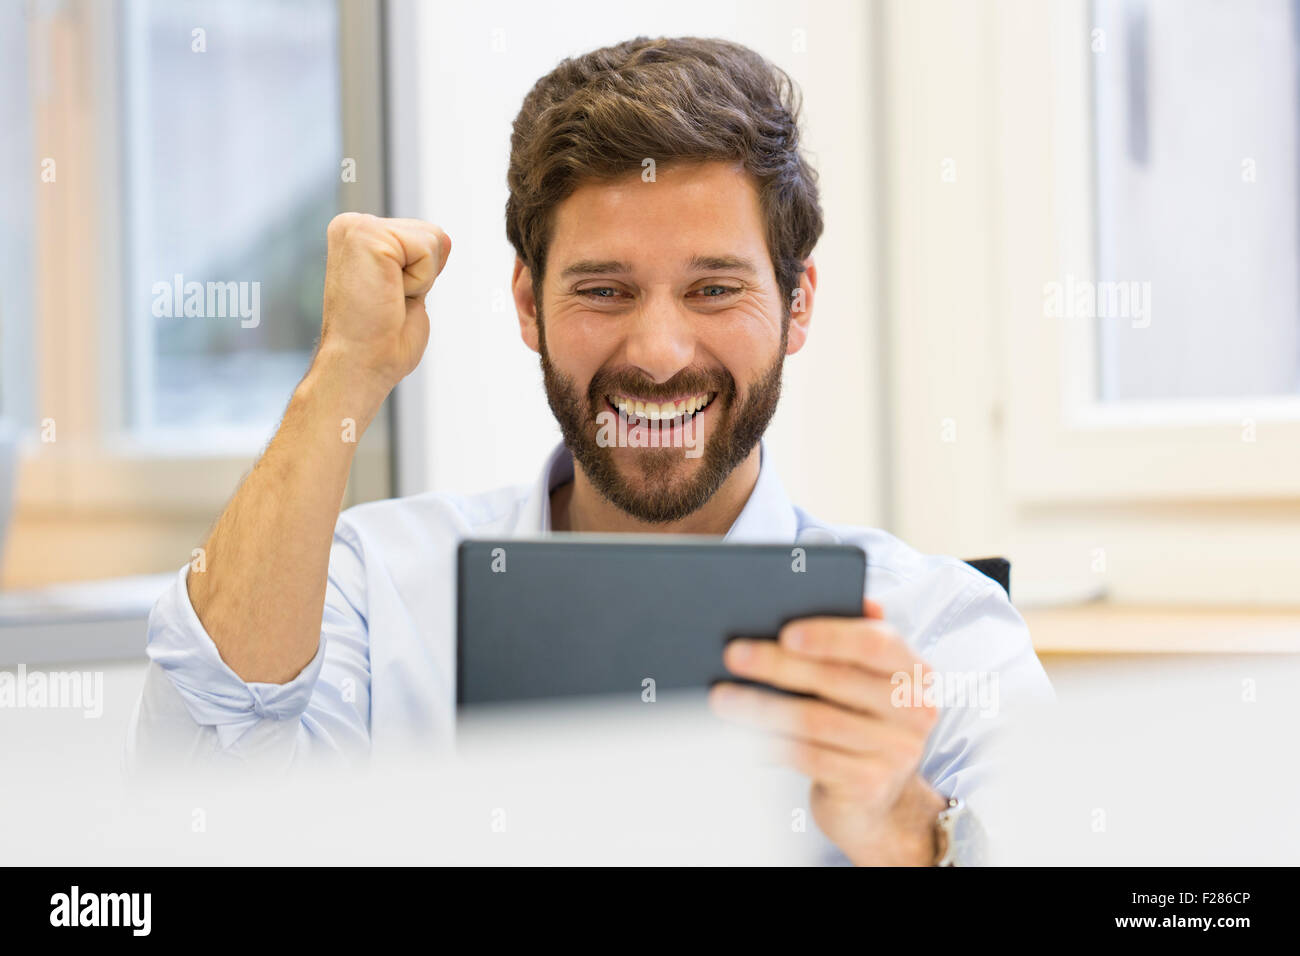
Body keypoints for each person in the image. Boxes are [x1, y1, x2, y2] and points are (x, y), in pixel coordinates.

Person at [129, 36, 1053, 865]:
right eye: (605, 291)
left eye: (715, 289)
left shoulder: (944, 630)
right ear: (529, 304)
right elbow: (199, 802)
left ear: (797, 304)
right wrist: (341, 374)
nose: (657, 354)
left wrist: (910, 831)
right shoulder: (372, 590)